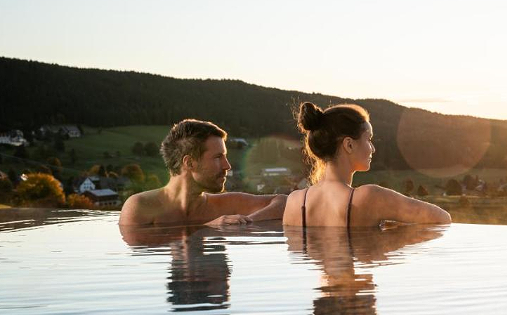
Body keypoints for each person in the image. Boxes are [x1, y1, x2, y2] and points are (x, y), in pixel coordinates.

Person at [283, 102, 451, 228]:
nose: (373, 148)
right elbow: (443, 219)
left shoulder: (295, 202)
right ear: (349, 145)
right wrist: (393, 237)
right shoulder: (370, 197)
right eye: (368, 139)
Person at [119, 119, 286, 226]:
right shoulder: (140, 207)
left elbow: (284, 201)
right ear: (190, 163)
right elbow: (138, 249)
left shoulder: (226, 204)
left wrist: (247, 221)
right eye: (218, 157)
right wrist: (208, 228)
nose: (227, 166)